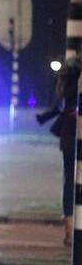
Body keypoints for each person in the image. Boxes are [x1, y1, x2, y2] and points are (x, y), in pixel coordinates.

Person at [37, 59, 81, 245]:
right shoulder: (77, 82)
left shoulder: (66, 83)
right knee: (74, 182)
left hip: (68, 137)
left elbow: (59, 106)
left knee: (69, 181)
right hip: (75, 134)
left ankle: (69, 231)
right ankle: (72, 230)